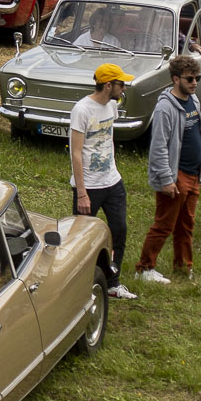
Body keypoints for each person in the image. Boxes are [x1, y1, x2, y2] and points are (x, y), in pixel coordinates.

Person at [134, 55, 201, 284]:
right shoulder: (166, 108)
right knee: (164, 224)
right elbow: (158, 148)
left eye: (197, 78)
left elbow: (197, 136)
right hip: (176, 176)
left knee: (186, 224)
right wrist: (167, 179)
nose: (195, 82)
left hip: (193, 173)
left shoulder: (193, 100)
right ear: (176, 79)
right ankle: (144, 269)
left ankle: (183, 267)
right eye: (190, 79)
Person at [71, 64, 140, 299]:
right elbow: (76, 153)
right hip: (89, 187)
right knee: (82, 239)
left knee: (119, 230)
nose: (124, 87)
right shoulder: (82, 110)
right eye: (121, 84)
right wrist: (81, 192)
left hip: (113, 182)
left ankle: (113, 282)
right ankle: (80, 284)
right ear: (108, 85)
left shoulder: (112, 105)